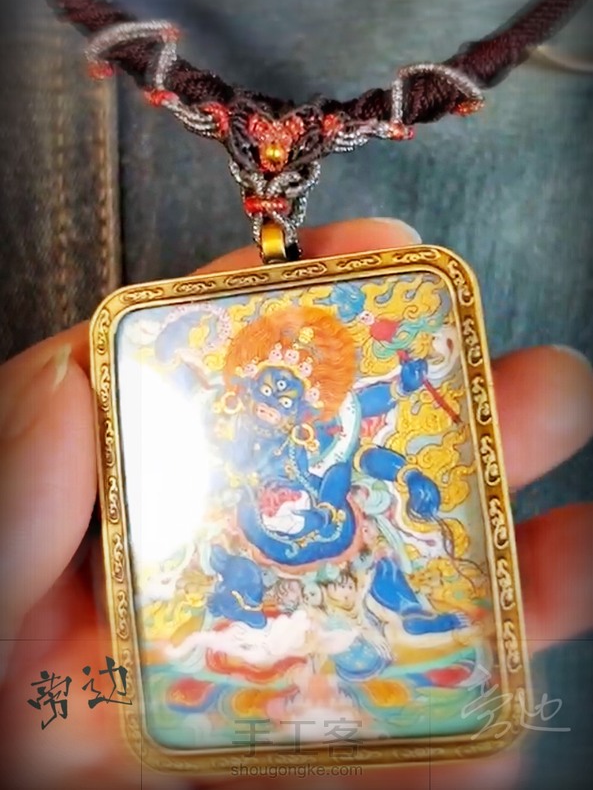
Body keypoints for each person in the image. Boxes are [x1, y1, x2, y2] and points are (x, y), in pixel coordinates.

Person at [0, 217, 592, 790]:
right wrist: (174, 349)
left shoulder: (330, 426)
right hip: (252, 527)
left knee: (381, 559)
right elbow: (182, 389)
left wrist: (409, 409)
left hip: (329, 525)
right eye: (267, 385)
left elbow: (371, 420)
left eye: (288, 392)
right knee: (230, 569)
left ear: (308, 400)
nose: (274, 398)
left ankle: (404, 614)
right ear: (246, 383)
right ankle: (238, 629)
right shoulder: (224, 418)